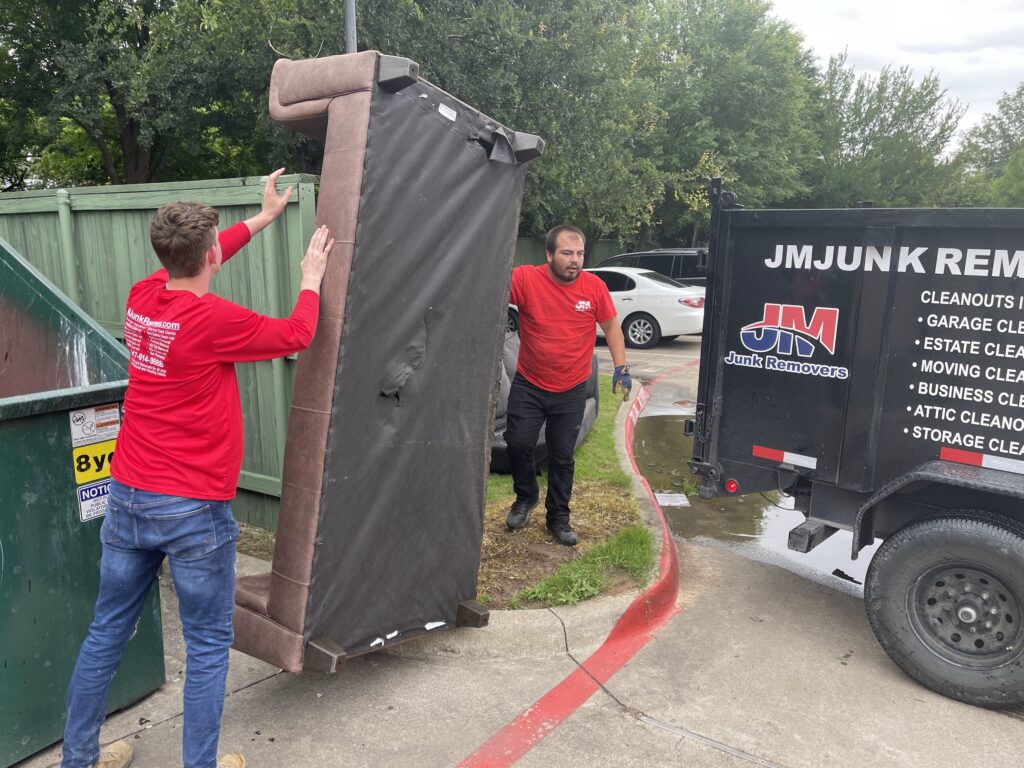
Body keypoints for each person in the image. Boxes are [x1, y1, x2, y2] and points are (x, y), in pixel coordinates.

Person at [57, 169, 336, 768]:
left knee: (106, 633)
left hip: (130, 495)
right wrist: (311, 278)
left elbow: (196, 262)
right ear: (206, 253)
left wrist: (260, 221)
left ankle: (75, 760)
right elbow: (298, 333)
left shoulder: (141, 296)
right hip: (191, 509)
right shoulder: (213, 322)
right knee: (208, 646)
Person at [505, 224, 632, 546]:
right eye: (567, 253)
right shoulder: (525, 280)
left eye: (579, 254)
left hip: (571, 387)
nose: (575, 260)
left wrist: (622, 367)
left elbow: (612, 326)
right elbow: (489, 284)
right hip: (530, 384)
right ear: (549, 255)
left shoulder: (594, 287)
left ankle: (558, 518)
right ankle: (526, 496)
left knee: (562, 457)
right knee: (519, 444)